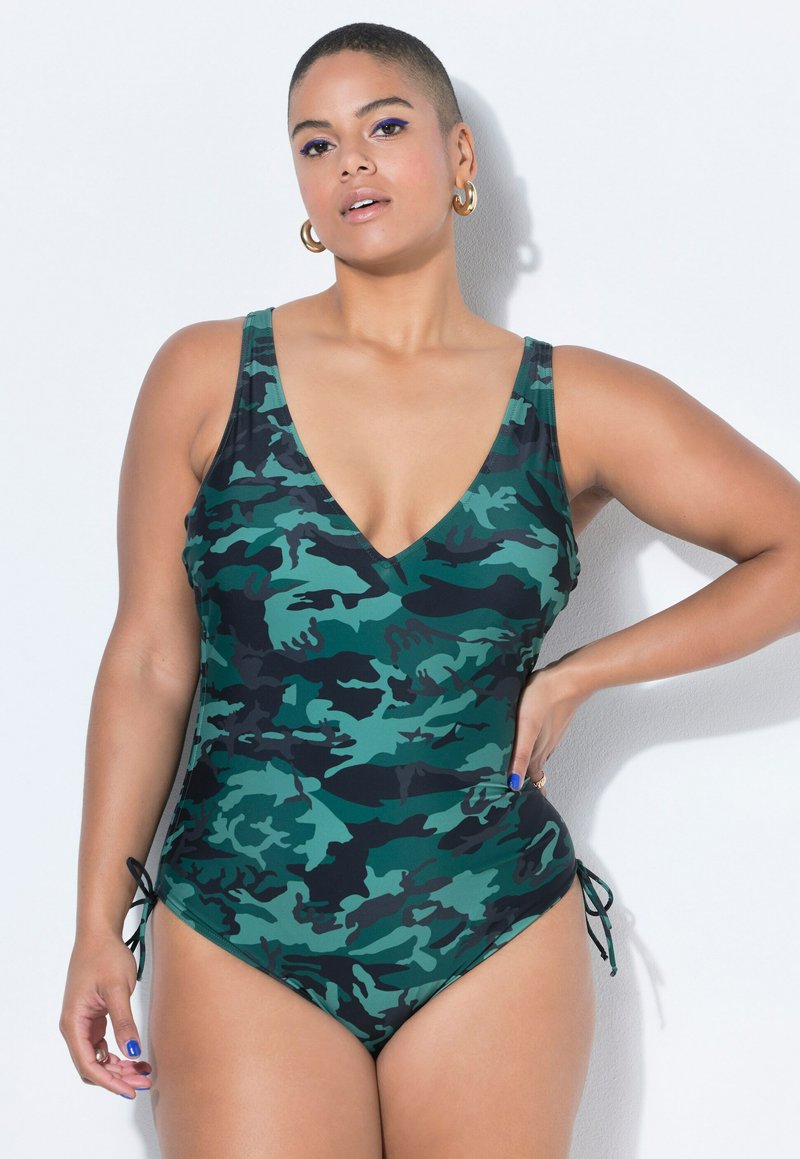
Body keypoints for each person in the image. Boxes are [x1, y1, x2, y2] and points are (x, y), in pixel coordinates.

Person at [59, 20, 800, 1159]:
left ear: (458, 157)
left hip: (488, 921)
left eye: (385, 126)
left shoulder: (572, 402)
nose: (350, 161)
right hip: (240, 922)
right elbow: (152, 660)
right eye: (316, 143)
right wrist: (94, 924)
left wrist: (582, 675)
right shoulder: (207, 376)